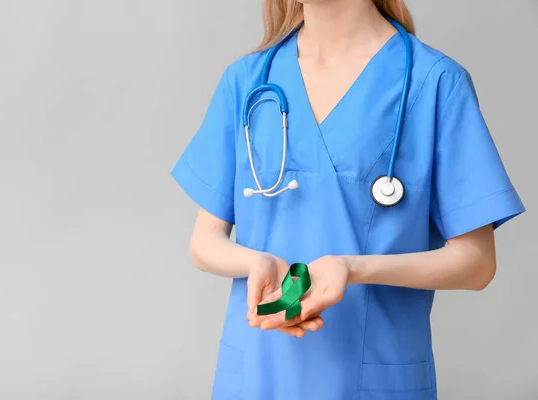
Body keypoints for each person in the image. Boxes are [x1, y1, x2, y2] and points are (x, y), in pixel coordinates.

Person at [170, 0, 525, 399]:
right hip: (258, 372)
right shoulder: (248, 81)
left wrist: (352, 268)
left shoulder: (434, 82)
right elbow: (203, 244)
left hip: (373, 377)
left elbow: (476, 264)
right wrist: (258, 262)